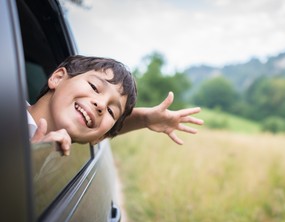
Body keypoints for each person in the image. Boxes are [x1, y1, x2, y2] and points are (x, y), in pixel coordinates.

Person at [27, 55, 203, 155]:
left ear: (98, 138)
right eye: (94, 87)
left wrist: (144, 120)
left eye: (111, 111)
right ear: (58, 77)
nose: (101, 105)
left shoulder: (59, 150)